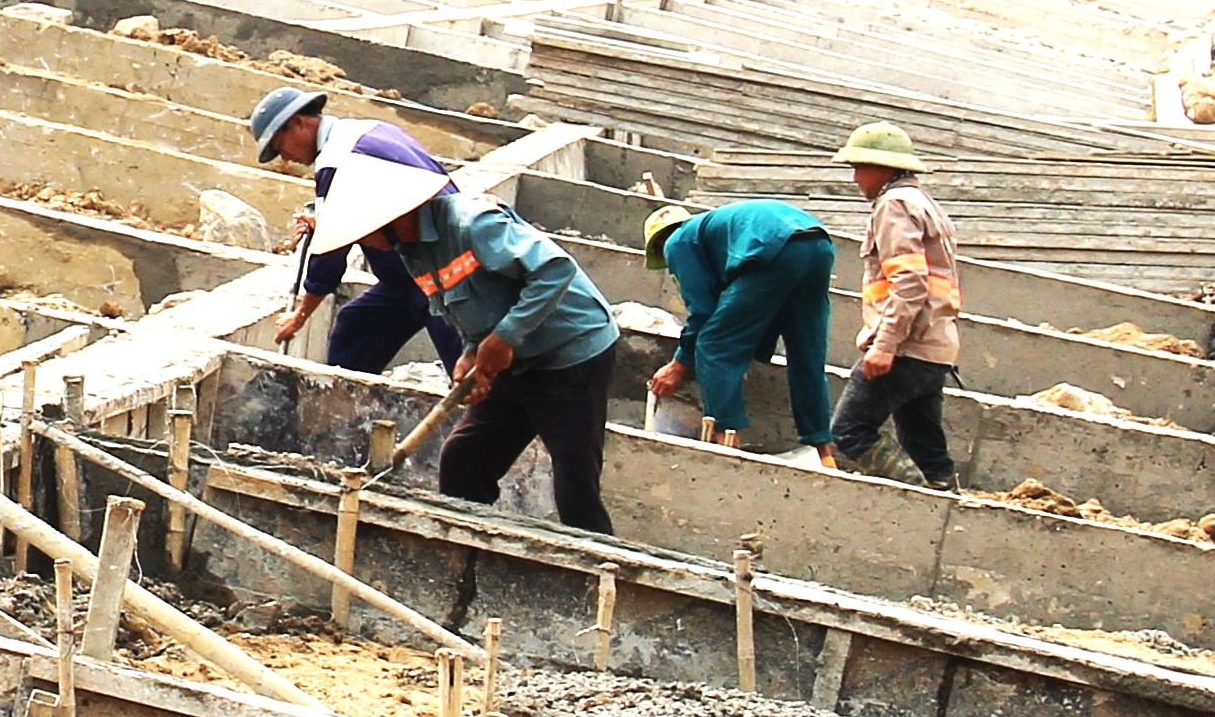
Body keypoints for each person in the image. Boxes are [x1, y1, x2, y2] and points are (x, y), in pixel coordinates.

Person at [306, 150, 620, 534]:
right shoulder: (412, 252)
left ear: (390, 218)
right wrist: (472, 351)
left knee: (575, 484)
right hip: (516, 357)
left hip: (569, 355)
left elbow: (555, 270)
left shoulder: (474, 223)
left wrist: (503, 338)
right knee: (463, 462)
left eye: (364, 231)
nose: (364, 242)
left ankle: (600, 575)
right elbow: (462, 306)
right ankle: (467, 562)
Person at [249, 86, 465, 376]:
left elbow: (329, 255)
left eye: (279, 146)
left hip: (442, 272)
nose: (285, 159)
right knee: (356, 331)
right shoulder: (367, 130)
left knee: (470, 371)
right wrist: (323, 224)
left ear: (299, 123)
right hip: (408, 271)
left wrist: (299, 316)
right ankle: (345, 414)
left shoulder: (336, 160)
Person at [642, 202, 837, 465]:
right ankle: (823, 453)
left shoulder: (677, 241)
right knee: (807, 354)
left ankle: (727, 447)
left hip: (775, 248)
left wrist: (679, 364)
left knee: (713, 345)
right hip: (817, 244)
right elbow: (757, 316)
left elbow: (702, 312)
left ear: (659, 245)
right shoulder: (716, 233)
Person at [827, 122, 963, 491]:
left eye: (859, 167)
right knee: (926, 451)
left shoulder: (894, 206)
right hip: (935, 346)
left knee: (850, 430)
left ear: (883, 167)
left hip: (906, 346)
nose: (856, 178)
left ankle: (922, 506)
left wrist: (885, 345)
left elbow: (910, 281)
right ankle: (946, 506)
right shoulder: (922, 203)